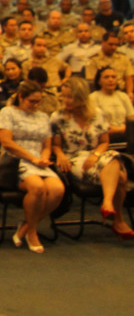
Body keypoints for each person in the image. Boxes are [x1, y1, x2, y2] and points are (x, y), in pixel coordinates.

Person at [52, 77, 134, 238]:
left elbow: (105, 142)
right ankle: (118, 219)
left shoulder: (97, 114)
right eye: (64, 96)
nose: (66, 100)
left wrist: (95, 155)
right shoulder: (58, 117)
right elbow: (55, 145)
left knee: (112, 156)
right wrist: (60, 155)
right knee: (121, 177)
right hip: (73, 158)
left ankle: (108, 203)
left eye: (70, 97)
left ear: (81, 97)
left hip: (98, 155)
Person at [0, 81, 66, 253]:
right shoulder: (7, 112)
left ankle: (26, 226)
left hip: (38, 161)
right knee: (38, 187)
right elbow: (6, 142)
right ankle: (32, 232)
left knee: (58, 190)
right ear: (21, 97)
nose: (35, 105)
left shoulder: (42, 117)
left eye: (38, 102)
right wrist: (33, 158)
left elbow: (47, 145)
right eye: (31, 101)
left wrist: (44, 158)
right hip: (15, 161)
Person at [88, 67, 134, 138]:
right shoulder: (93, 97)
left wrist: (125, 128)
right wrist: (122, 129)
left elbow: (131, 118)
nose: (111, 80)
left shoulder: (123, 96)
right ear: (99, 81)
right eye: (106, 77)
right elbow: (95, 124)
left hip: (127, 134)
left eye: (113, 77)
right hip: (104, 134)